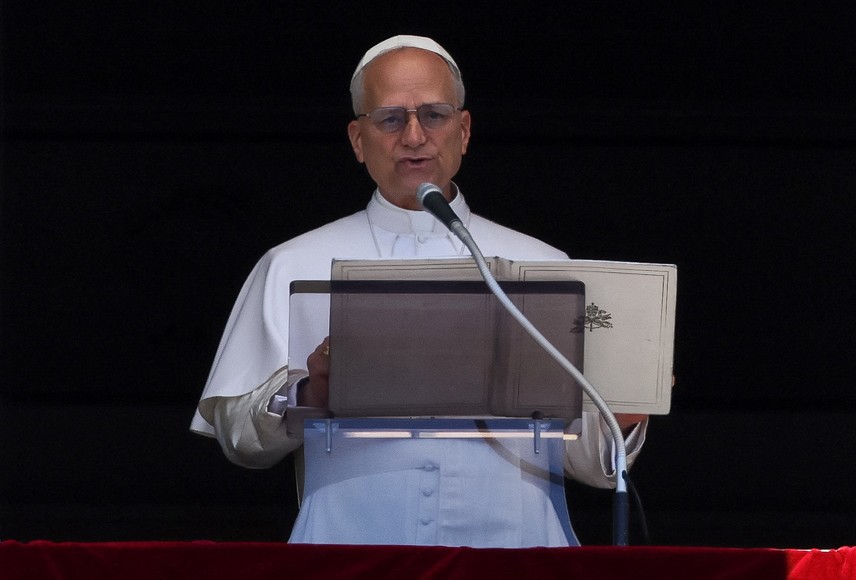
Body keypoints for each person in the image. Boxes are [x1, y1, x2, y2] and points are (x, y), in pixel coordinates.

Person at [191, 35, 648, 547]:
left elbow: (589, 462)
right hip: (351, 546)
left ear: (465, 130)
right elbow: (238, 441)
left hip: (518, 549)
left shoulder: (546, 266)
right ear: (358, 140)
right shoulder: (292, 262)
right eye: (390, 118)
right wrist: (310, 394)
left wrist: (623, 411)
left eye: (434, 115)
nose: (414, 136)